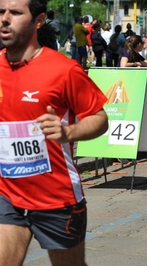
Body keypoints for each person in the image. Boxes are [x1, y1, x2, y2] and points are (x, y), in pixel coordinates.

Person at [0, 1, 109, 265]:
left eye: (14, 13)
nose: (4, 19)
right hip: (8, 194)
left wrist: (67, 132)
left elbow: (100, 119)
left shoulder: (63, 70)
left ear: (38, 21)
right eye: (1, 11)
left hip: (57, 199)